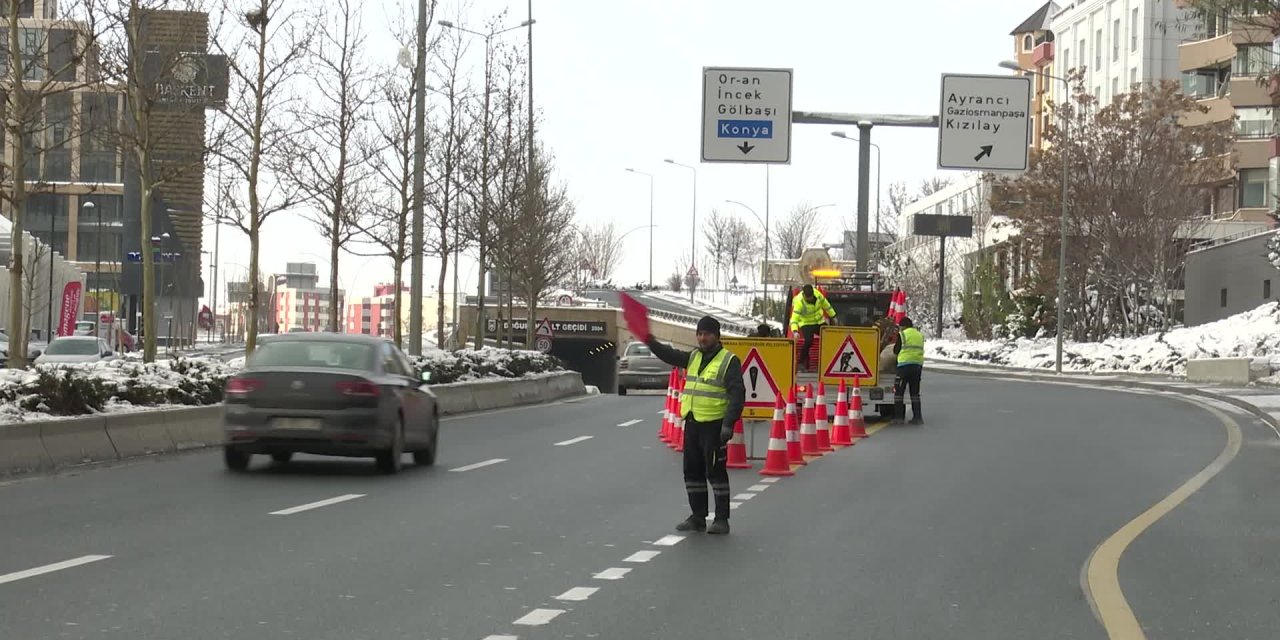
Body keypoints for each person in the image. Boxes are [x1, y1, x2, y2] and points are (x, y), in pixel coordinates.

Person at [646, 315, 746, 535]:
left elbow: (737, 394)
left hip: (714, 425)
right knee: (692, 472)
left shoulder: (729, 361)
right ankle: (698, 516)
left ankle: (721, 519)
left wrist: (728, 424)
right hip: (692, 423)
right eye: (699, 334)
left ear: (716, 336)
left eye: (707, 334)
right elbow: (670, 355)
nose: (702, 338)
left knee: (716, 473)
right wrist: (651, 342)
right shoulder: (693, 357)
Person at [789, 284, 835, 371]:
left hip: (819, 322)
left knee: (829, 337)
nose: (809, 299)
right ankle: (801, 362)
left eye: (810, 297)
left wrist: (833, 316)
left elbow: (827, 305)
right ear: (804, 295)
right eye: (807, 298)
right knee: (809, 341)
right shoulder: (799, 302)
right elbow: (794, 319)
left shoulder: (818, 295)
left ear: (813, 294)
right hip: (806, 324)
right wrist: (795, 331)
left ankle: (830, 360)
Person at [893, 316, 925, 425]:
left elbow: (896, 350)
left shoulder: (902, 335)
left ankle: (899, 418)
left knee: (899, 392)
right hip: (917, 366)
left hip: (904, 366)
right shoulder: (919, 335)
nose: (900, 329)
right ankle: (917, 417)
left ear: (904, 326)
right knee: (915, 393)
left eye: (900, 327)